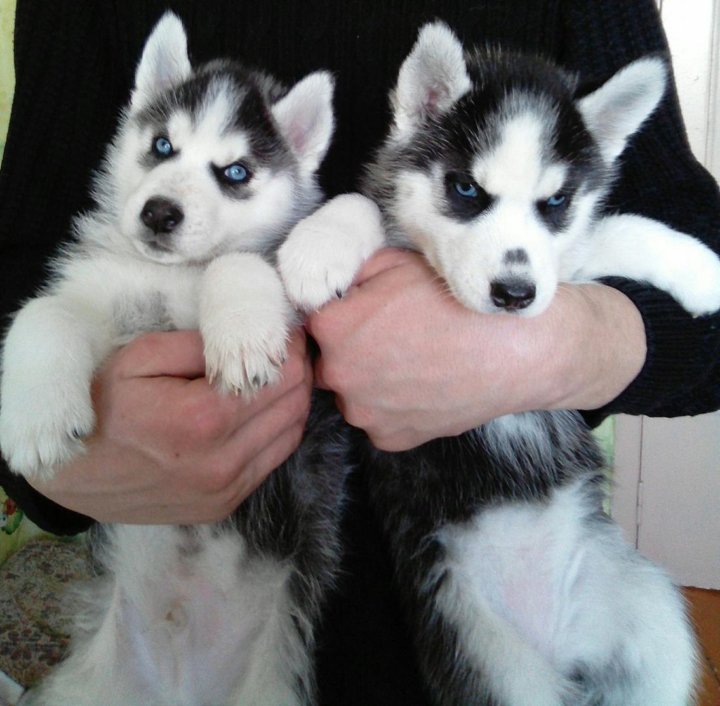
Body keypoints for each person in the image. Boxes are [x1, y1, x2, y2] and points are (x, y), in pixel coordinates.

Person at [0, 1, 718, 703]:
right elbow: (22, 268)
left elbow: (701, 290)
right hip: (220, 588)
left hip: (465, 571)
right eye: (468, 189)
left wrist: (569, 343)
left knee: (659, 643)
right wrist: (52, 463)